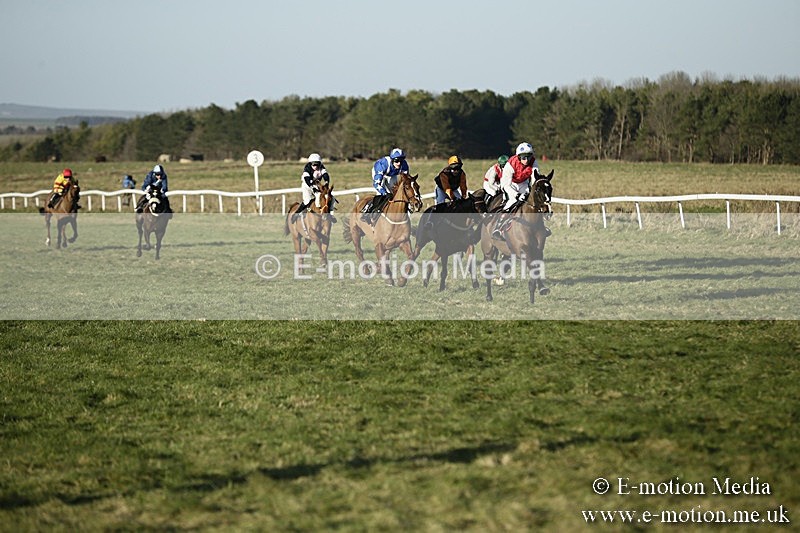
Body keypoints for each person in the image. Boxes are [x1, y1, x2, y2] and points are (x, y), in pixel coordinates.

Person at [361, 147, 410, 223]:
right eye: (396, 161)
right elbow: (376, 184)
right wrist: (384, 193)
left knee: (394, 193)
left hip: (392, 175)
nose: (399, 163)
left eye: (401, 160)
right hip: (380, 174)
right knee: (381, 194)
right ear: (392, 160)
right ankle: (367, 210)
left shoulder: (404, 165)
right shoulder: (382, 165)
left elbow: (407, 181)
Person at [291, 153, 336, 223]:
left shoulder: (322, 167)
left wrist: (326, 182)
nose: (316, 166)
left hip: (317, 185)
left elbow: (325, 175)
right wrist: (312, 187)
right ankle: (296, 214)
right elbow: (307, 180)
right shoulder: (307, 168)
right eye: (314, 164)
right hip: (307, 186)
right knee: (307, 201)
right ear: (310, 164)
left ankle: (329, 214)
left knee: (330, 198)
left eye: (317, 164)